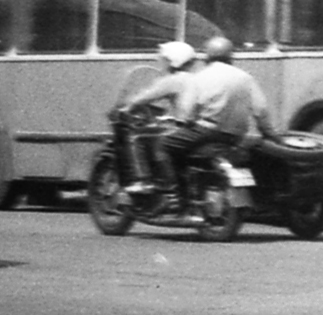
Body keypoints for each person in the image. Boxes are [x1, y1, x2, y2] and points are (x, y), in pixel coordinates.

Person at [160, 36, 280, 212]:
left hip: (205, 131)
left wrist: (184, 122)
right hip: (235, 135)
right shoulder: (245, 78)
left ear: (207, 57)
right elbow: (260, 109)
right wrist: (270, 133)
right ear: (230, 57)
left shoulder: (199, 78)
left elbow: (186, 111)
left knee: (163, 145)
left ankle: (173, 195)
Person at [115, 41, 202, 196]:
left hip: (182, 127)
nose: (162, 63)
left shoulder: (174, 80)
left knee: (138, 137)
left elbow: (145, 97)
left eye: (165, 60)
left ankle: (145, 181)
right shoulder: (196, 78)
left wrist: (127, 107)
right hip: (197, 128)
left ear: (174, 61)